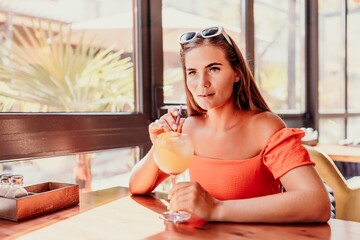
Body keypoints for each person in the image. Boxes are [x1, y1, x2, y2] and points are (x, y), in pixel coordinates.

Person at [129, 26, 330, 223]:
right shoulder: (187, 129)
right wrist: (160, 144)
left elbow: (317, 203)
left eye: (214, 69)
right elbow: (137, 187)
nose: (202, 83)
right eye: (192, 72)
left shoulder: (265, 127)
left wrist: (216, 208)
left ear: (237, 74)